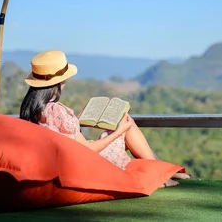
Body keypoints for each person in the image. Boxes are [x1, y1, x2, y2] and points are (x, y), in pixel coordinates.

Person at [18, 50, 190, 187]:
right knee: (127, 122)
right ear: (59, 82)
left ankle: (164, 169)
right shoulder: (57, 110)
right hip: (86, 164)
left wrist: (76, 118)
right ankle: (159, 174)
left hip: (66, 161)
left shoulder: (32, 110)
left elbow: (62, 134)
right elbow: (87, 151)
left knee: (123, 123)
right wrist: (119, 132)